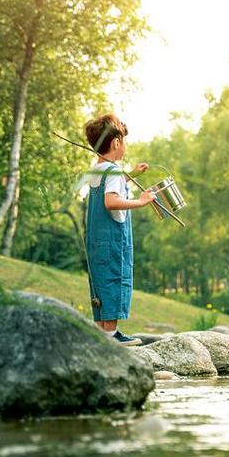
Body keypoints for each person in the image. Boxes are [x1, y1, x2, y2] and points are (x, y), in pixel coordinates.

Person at [83, 113, 155, 346]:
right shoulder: (113, 170)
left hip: (96, 239)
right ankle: (112, 335)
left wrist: (131, 176)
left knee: (100, 282)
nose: (124, 145)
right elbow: (111, 201)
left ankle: (101, 333)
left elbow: (110, 187)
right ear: (116, 143)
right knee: (114, 278)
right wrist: (141, 202)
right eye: (123, 141)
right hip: (113, 239)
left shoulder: (98, 170)